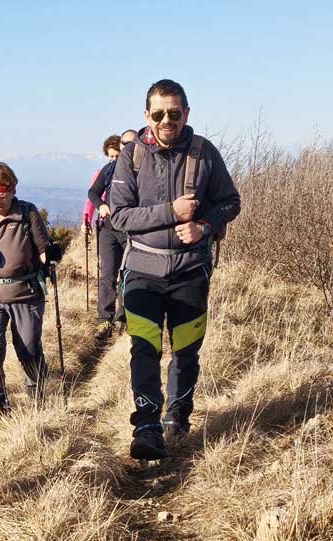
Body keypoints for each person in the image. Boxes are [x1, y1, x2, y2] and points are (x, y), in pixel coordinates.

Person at [110, 79, 241, 461]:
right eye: (158, 114)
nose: (166, 120)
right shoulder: (131, 155)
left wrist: (204, 225)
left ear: (186, 112)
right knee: (145, 350)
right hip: (142, 271)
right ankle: (147, 426)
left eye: (174, 112)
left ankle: (177, 420)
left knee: (186, 351)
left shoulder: (205, 153)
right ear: (146, 116)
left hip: (190, 271)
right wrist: (172, 212)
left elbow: (230, 201)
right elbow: (118, 215)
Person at [0, 162, 52, 410]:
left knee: (29, 346)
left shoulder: (27, 214)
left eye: (3, 195)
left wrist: (50, 256)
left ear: (13, 191)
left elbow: (43, 248)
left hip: (25, 294)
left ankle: (36, 393)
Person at [88, 131, 136, 338]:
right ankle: (104, 321)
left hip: (133, 231)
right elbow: (92, 192)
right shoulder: (109, 170)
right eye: (125, 144)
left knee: (129, 275)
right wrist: (102, 206)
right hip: (108, 230)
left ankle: (124, 316)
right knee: (107, 275)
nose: (129, 147)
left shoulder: (145, 170)